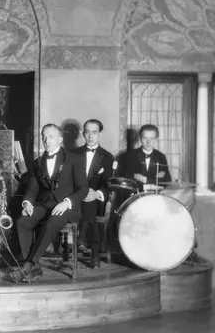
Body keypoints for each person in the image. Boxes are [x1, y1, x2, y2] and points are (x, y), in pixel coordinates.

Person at [11, 124, 89, 282]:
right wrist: (27, 203)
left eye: (51, 137)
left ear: (60, 139)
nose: (46, 140)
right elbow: (32, 189)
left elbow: (83, 188)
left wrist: (67, 202)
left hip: (67, 207)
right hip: (45, 204)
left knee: (50, 224)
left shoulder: (75, 159)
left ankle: (28, 266)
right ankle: (35, 268)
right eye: (44, 137)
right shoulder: (37, 162)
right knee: (22, 222)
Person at [72, 119, 114, 268]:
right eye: (87, 132)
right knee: (87, 203)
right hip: (75, 197)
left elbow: (108, 183)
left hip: (95, 199)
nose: (90, 136)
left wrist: (96, 194)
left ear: (100, 134)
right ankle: (94, 254)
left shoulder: (107, 157)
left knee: (91, 203)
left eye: (94, 132)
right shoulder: (73, 154)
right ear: (83, 133)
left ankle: (82, 237)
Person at [118, 124, 171, 189]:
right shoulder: (129, 155)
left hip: (156, 194)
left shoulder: (161, 156)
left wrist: (147, 181)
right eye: (145, 138)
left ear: (156, 139)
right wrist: (135, 177)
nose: (148, 142)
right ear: (140, 138)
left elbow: (167, 181)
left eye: (151, 138)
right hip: (136, 193)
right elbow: (125, 179)